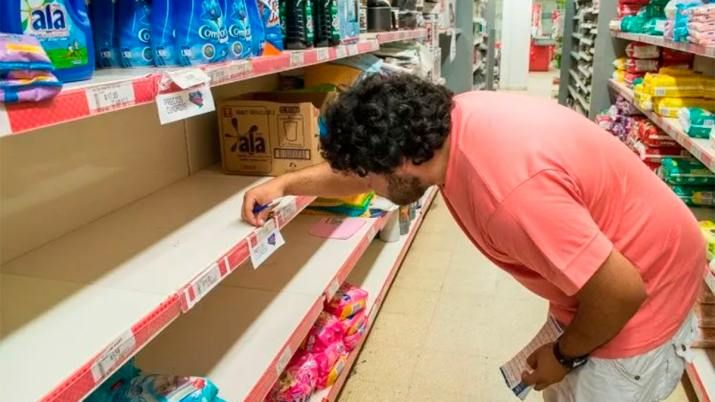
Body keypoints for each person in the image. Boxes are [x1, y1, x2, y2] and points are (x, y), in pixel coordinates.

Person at [241, 73, 706, 401]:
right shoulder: (449, 123)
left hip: (644, 294)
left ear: (401, 163)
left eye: (368, 175)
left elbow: (621, 292)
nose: (367, 186)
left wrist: (564, 356)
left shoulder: (510, 196)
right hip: (612, 264)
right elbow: (367, 173)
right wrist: (285, 185)